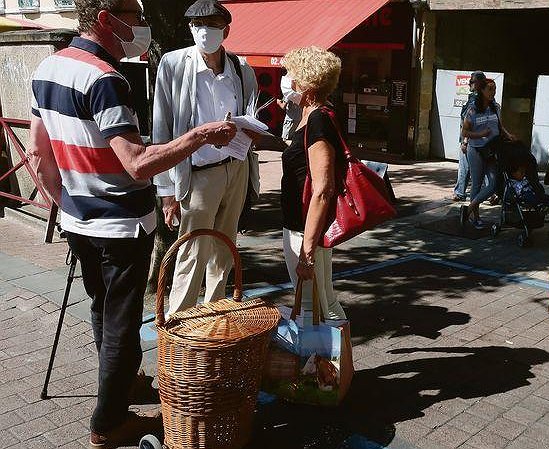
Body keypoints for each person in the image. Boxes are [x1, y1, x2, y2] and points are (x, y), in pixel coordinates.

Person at [27, 0, 237, 446]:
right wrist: (200, 135)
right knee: (122, 320)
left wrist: (62, 203)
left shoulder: (49, 67)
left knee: (103, 309)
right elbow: (138, 164)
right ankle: (108, 423)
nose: (141, 24)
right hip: (120, 224)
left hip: (79, 219)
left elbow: (38, 153)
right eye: (135, 15)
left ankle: (121, 385)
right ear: (106, 19)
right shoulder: (106, 79)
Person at [151, 0, 259, 317]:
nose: (204, 32)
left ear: (225, 30)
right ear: (189, 28)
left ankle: (215, 316)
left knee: (225, 249)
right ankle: (179, 322)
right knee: (192, 250)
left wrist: (252, 130)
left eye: (212, 26)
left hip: (235, 167)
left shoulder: (242, 69)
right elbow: (162, 128)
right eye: (198, 26)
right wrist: (166, 190)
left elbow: (250, 114)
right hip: (197, 175)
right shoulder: (172, 65)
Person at [280, 46, 347, 322]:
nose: (286, 79)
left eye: (290, 73)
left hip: (305, 229)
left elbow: (323, 189)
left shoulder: (317, 119)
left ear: (305, 82)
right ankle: (335, 362)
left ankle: (323, 363)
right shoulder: (311, 117)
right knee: (323, 301)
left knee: (313, 306)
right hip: (305, 227)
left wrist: (306, 252)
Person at [459, 78, 514, 230]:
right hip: (476, 150)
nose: (493, 92)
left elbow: (499, 126)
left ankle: (468, 209)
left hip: (492, 150)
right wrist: (480, 134)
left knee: (493, 184)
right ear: (481, 91)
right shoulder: (472, 109)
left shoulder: (495, 107)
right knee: (476, 184)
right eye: (490, 89)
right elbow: (464, 131)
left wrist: (508, 135)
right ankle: (475, 217)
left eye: (494, 89)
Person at [452, 71, 485, 202]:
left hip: (471, 140)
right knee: (475, 168)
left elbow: (470, 121)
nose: (469, 83)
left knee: (467, 167)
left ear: (478, 83)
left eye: (472, 81)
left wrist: (465, 141)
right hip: (474, 139)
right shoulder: (476, 98)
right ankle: (460, 192)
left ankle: (460, 192)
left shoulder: (477, 100)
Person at [280, 70, 303, 143]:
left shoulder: (289, 91)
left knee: (285, 140)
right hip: (299, 118)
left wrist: (277, 102)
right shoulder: (300, 90)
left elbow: (283, 106)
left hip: (290, 119)